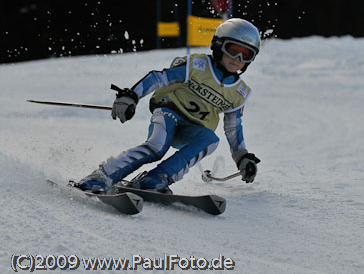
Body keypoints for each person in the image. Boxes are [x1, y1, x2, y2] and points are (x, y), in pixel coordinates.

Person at [78, 18, 261, 194]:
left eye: (246, 54)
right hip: (169, 112)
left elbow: (233, 127)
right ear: (219, 45)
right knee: (157, 147)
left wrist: (242, 157)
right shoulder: (197, 66)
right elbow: (160, 78)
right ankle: (102, 176)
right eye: (232, 50)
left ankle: (156, 178)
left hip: (194, 129)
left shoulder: (239, 93)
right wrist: (132, 96)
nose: (237, 59)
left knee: (210, 140)